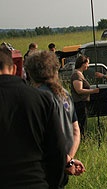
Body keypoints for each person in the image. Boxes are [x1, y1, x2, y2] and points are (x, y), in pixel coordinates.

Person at [0, 47, 67, 188]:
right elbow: (57, 149)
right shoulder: (41, 99)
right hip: (34, 181)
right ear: (13, 70)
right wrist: (54, 184)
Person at [24, 50, 86, 186]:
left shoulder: (36, 98)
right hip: (62, 167)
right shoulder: (65, 94)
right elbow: (76, 131)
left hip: (43, 168)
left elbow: (45, 137)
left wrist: (65, 161)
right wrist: (68, 159)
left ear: (31, 73)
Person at [70, 55, 99, 138]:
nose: (88, 66)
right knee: (81, 124)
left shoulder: (79, 74)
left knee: (83, 123)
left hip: (82, 103)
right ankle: (81, 138)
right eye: (87, 63)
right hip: (80, 103)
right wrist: (93, 91)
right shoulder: (77, 75)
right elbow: (79, 90)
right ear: (83, 64)